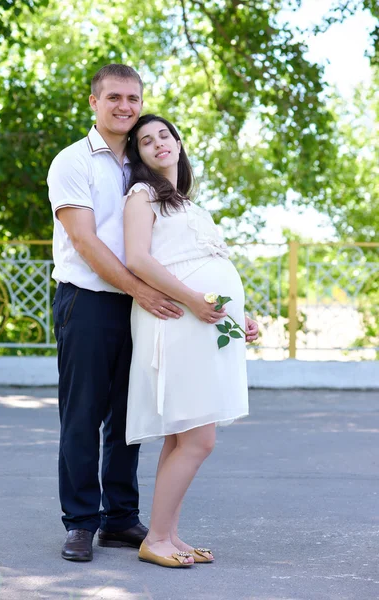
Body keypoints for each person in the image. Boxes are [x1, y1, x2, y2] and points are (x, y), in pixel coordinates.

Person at [47, 63, 259, 563]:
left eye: (133, 98)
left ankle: (120, 518)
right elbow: (84, 239)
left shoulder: (144, 166)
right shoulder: (73, 161)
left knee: (129, 416)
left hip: (148, 307)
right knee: (83, 414)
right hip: (93, 300)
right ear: (94, 103)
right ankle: (80, 521)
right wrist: (139, 289)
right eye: (114, 97)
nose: (125, 106)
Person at [123, 114, 251, 568]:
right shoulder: (142, 197)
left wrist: (241, 315)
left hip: (202, 322)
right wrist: (196, 301)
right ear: (137, 155)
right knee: (199, 439)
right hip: (176, 320)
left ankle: (169, 536)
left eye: (164, 135)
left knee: (182, 439)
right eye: (144, 141)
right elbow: (137, 258)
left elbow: (203, 262)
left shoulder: (190, 205)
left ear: (178, 143)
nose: (157, 143)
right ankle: (155, 537)